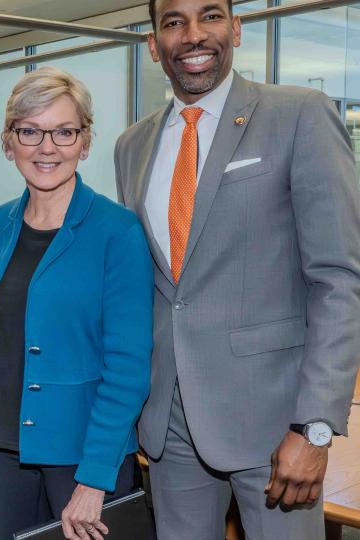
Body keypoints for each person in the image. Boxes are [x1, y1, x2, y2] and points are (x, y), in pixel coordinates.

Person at [114, 0, 360, 538]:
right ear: (154, 44)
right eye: (173, 22)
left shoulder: (300, 114)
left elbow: (339, 280)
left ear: (237, 29)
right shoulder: (132, 145)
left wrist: (313, 427)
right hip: (170, 423)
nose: (193, 35)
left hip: (276, 424)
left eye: (211, 16)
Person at [0, 67, 153, 540]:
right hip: (0, 446)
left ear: (86, 141)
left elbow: (129, 368)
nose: (47, 147)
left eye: (64, 131)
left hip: (82, 455)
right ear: (8, 142)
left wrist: (94, 478)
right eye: (30, 131)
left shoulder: (117, 232)